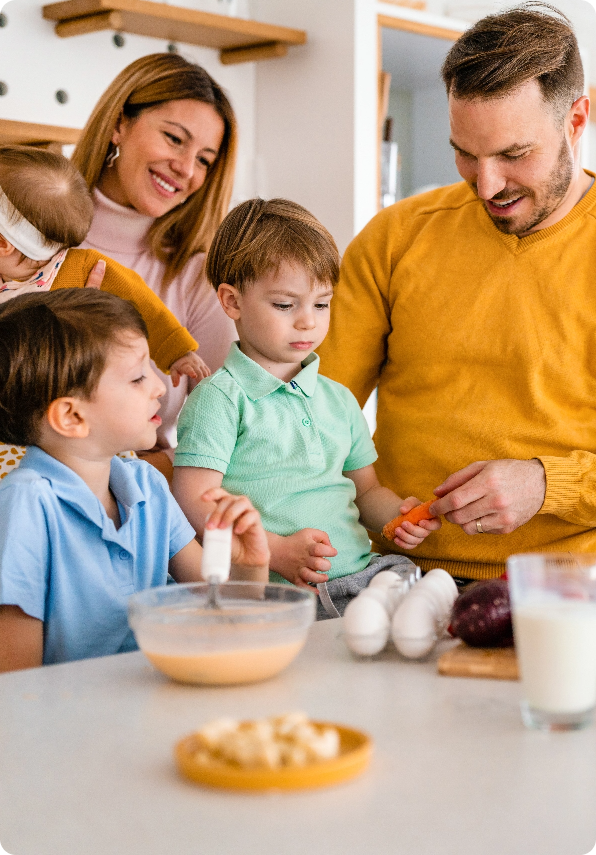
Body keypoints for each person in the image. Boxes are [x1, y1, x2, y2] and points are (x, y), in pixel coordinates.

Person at [317, 4, 596, 582]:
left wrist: (548, 484)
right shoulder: (396, 238)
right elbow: (310, 414)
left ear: (577, 119)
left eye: (514, 155)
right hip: (391, 573)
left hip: (572, 586)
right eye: (466, 153)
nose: (486, 184)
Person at [172, 199, 440, 619]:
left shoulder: (338, 398)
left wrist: (396, 517)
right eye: (285, 305)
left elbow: (365, 490)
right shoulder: (219, 399)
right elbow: (192, 498)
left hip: (361, 573)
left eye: (321, 304)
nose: (307, 322)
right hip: (283, 592)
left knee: (424, 587)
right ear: (232, 301)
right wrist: (274, 552)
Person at [0, 289, 269, 672]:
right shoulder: (25, 504)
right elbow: (15, 685)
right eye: (138, 377)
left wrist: (246, 566)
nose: (160, 386)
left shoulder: (147, 485)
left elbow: (219, 602)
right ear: (72, 417)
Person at [71, 53, 238, 476]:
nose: (185, 169)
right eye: (174, 139)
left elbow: (235, 428)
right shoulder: (28, 243)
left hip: (148, 499)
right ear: (118, 124)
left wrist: (147, 473)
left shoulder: (198, 277)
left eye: (204, 159)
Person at [0, 145, 207, 479]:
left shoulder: (80, 270)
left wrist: (176, 349)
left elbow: (142, 302)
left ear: (3, 243)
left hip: (78, 436)